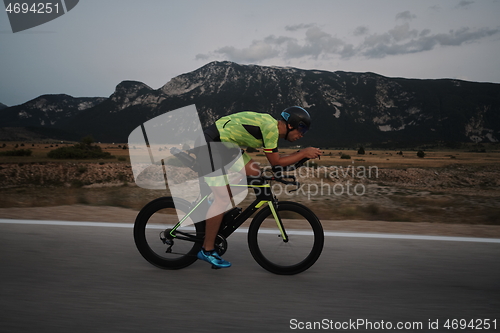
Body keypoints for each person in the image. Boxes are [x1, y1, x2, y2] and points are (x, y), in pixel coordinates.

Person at [196, 106, 322, 268]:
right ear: (291, 124)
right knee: (223, 198)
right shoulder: (271, 129)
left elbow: (277, 166)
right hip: (211, 144)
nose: (301, 135)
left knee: (255, 173)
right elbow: (276, 162)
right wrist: (303, 153)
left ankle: (213, 209)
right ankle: (207, 250)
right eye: (301, 130)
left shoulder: (272, 129)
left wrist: (294, 163)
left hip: (226, 145)